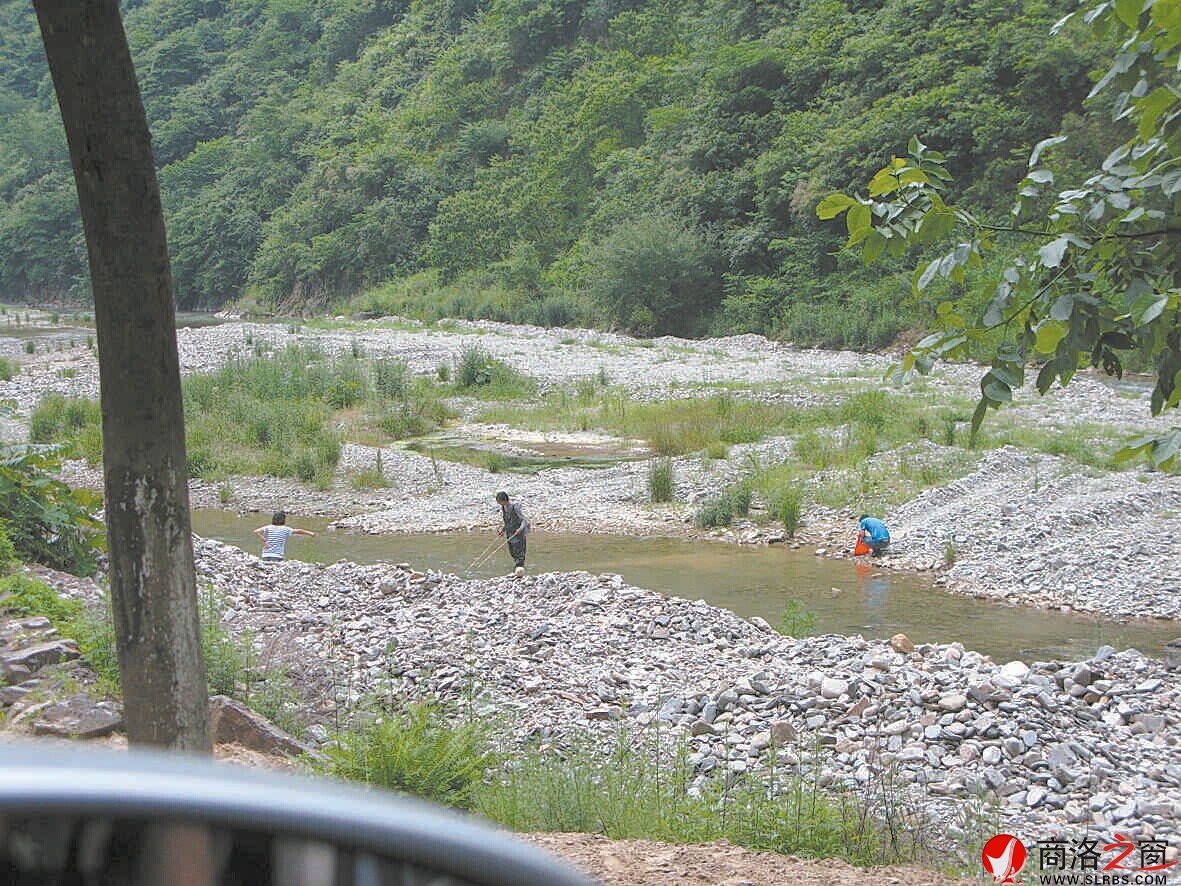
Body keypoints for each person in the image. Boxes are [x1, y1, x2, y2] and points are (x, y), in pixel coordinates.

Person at [495, 491, 529, 576]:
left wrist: (520, 529)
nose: (499, 503)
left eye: (499, 501)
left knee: (520, 554)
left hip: (519, 534)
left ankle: (519, 572)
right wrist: (503, 530)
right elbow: (507, 522)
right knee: (513, 552)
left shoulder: (515, 507)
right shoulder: (503, 508)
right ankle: (518, 569)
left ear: (504, 500)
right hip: (510, 533)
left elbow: (524, 520)